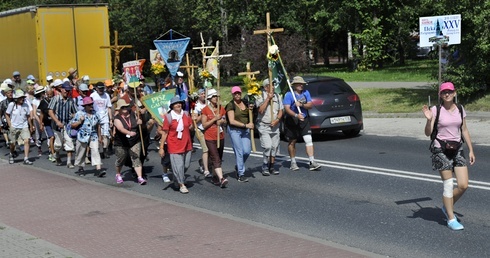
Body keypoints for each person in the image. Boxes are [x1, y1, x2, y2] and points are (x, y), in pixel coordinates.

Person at [422, 82, 475, 231]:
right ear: (440, 95)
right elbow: (427, 133)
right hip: (440, 149)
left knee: (464, 185)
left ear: (454, 93)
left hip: (457, 148)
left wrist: (471, 150)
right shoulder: (435, 110)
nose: (447, 94)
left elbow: (464, 130)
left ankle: (447, 205)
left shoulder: (460, 109)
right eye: (444, 92)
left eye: (449, 92)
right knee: (448, 184)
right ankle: (451, 218)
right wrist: (428, 119)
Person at [283, 76, 321, 171]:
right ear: (294, 85)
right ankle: (293, 162)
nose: (301, 85)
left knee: (308, 139)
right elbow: (287, 109)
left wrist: (301, 105)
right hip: (292, 120)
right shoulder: (288, 95)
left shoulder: (306, 93)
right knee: (292, 141)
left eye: (302, 84)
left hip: (304, 119)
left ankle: (312, 162)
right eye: (299, 84)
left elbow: (310, 105)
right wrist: (296, 115)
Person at [158, 96, 194, 194]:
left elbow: (190, 127)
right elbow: (165, 133)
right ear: (172, 106)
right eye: (176, 103)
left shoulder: (186, 114)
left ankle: (176, 178)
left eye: (179, 103)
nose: (178, 105)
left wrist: (194, 121)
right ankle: (182, 184)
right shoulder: (169, 117)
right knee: (179, 166)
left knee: (185, 166)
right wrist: (161, 148)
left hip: (187, 144)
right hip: (174, 145)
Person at [113, 99, 146, 185]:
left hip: (134, 140)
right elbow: (120, 128)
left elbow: (141, 121)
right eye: (122, 107)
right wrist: (129, 133)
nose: (125, 108)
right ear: (119, 109)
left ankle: (140, 177)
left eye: (126, 107)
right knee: (121, 158)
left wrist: (140, 122)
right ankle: (118, 174)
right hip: (121, 142)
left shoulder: (133, 113)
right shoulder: (117, 118)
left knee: (135, 157)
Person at [201, 88, 228, 188]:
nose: (216, 98)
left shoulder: (221, 108)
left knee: (219, 157)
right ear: (209, 98)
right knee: (215, 157)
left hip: (220, 136)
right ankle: (222, 178)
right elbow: (204, 125)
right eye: (213, 96)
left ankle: (215, 176)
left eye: (216, 96)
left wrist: (221, 121)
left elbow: (224, 120)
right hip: (210, 137)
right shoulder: (205, 110)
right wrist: (214, 119)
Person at [71, 96, 105, 177]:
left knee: (95, 150)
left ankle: (98, 169)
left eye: (91, 104)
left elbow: (98, 125)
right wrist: (80, 121)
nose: (91, 106)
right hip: (82, 135)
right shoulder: (79, 113)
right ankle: (81, 167)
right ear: (85, 106)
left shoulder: (95, 114)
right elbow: (72, 125)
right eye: (89, 105)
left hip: (93, 135)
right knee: (81, 152)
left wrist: (100, 136)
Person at [225, 86, 253, 182]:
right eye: (235, 93)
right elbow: (232, 121)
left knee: (247, 151)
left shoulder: (245, 102)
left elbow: (251, 114)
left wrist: (252, 109)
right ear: (232, 95)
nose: (237, 95)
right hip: (234, 130)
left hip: (245, 131)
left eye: (239, 93)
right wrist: (245, 125)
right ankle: (241, 174)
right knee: (239, 151)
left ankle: (239, 165)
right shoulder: (230, 105)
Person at [256, 79, 284, 176]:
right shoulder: (260, 96)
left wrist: (277, 120)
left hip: (275, 126)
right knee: (267, 146)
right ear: (266, 87)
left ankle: (271, 166)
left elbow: (281, 110)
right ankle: (264, 165)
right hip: (264, 125)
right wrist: (268, 99)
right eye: (270, 85)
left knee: (274, 147)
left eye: (273, 85)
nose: (273, 87)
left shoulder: (277, 96)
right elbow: (260, 110)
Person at [48, 81, 77, 167]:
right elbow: (50, 111)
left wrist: (73, 116)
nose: (67, 92)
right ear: (61, 89)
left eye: (68, 90)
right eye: (66, 90)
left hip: (67, 125)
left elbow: (75, 112)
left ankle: (69, 162)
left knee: (69, 143)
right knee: (58, 144)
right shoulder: (56, 99)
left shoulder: (70, 100)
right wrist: (57, 121)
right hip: (57, 126)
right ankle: (57, 154)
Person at [5, 90, 34, 164]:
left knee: (27, 141)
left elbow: (28, 116)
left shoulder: (26, 105)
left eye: (23, 97)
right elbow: (7, 114)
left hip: (24, 126)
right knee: (13, 143)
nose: (22, 99)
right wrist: (10, 125)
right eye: (20, 98)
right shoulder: (12, 105)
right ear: (16, 98)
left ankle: (26, 158)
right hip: (14, 126)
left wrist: (31, 125)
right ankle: (11, 154)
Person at [192, 88, 211, 177]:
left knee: (211, 149)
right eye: (202, 94)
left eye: (205, 93)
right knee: (205, 149)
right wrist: (203, 113)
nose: (203, 95)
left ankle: (202, 162)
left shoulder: (209, 103)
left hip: (209, 128)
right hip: (200, 129)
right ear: (199, 95)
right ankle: (206, 170)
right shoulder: (195, 106)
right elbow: (195, 120)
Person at [90, 82, 113, 159]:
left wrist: (110, 119)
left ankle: (104, 150)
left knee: (105, 135)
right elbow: (89, 106)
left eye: (102, 88)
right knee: (95, 135)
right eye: (99, 88)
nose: (101, 90)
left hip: (104, 117)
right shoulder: (92, 96)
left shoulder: (106, 96)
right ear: (96, 88)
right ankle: (96, 151)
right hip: (95, 117)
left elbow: (109, 107)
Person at [39, 89, 56, 162]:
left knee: (55, 138)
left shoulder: (55, 101)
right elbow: (41, 114)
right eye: (48, 94)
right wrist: (41, 123)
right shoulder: (43, 102)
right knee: (51, 137)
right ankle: (53, 154)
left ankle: (53, 150)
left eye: (51, 94)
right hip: (47, 123)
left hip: (54, 122)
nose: (49, 96)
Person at [31, 86, 46, 156]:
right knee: (38, 133)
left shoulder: (46, 99)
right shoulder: (35, 101)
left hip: (45, 117)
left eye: (43, 92)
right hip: (38, 117)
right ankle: (39, 147)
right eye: (42, 92)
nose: (43, 93)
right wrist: (40, 121)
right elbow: (34, 113)